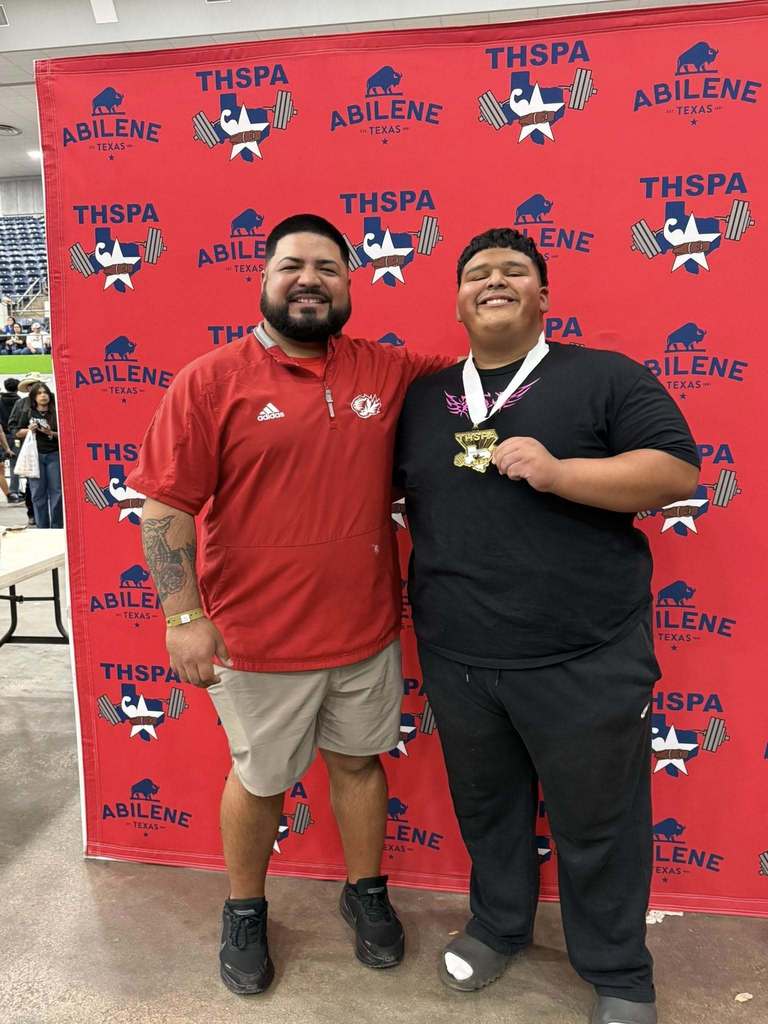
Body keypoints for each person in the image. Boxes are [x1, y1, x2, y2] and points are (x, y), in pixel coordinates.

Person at [126, 213, 454, 997]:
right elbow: (164, 511)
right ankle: (245, 909)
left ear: (350, 284)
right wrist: (181, 616)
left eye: (328, 268)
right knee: (261, 779)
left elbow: (488, 373)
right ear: (264, 280)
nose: (309, 279)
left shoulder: (388, 370)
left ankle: (365, 892)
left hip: (366, 631)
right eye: (291, 266)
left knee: (358, 764)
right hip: (254, 640)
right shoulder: (210, 380)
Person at [394, 228, 700, 1024]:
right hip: (460, 653)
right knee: (488, 810)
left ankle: (620, 972)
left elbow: (675, 471)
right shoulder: (425, 397)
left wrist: (562, 474)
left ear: (543, 296)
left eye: (513, 272)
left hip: (585, 653)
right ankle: (498, 927)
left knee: (599, 823)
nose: (493, 281)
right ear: (457, 299)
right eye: (476, 274)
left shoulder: (604, 377)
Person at [10, 381, 62, 528]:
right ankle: (42, 526)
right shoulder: (28, 412)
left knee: (56, 493)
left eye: (45, 392)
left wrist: (50, 433)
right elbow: (17, 432)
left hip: (54, 454)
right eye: (39, 393)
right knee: (37, 493)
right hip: (34, 456)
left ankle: (57, 526)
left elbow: (68, 434)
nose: (43, 396)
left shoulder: (57, 412)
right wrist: (29, 430)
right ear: (33, 397)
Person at [0, 377, 22, 501]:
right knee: (15, 464)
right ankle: (14, 491)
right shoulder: (20, 401)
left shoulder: (0, 400)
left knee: (1, 467)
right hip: (15, 435)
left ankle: (9, 491)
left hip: (1, 435)